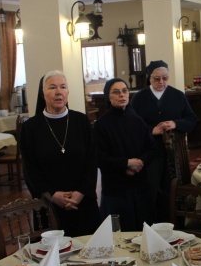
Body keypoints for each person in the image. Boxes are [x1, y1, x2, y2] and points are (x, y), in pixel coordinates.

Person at [20, 70, 101, 235]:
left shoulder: (81, 121)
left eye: (63, 87)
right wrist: (52, 195)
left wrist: (80, 193)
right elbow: (30, 169)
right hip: (49, 205)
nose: (58, 92)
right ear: (43, 94)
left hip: (83, 202)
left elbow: (92, 161)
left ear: (68, 92)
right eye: (52, 87)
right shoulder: (31, 128)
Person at [129, 60, 197, 222]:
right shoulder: (139, 98)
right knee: (150, 190)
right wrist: (151, 130)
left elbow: (192, 119)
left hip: (174, 153)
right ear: (149, 78)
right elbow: (131, 125)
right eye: (156, 79)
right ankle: (150, 226)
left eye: (165, 78)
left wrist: (175, 123)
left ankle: (173, 225)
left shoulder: (177, 95)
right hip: (150, 153)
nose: (161, 82)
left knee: (172, 190)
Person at [94, 78, 156, 231]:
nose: (122, 95)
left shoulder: (138, 121)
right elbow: (99, 158)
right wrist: (126, 164)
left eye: (124, 91)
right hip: (116, 190)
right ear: (108, 96)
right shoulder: (101, 125)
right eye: (116, 92)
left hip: (139, 186)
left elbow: (151, 149)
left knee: (142, 233)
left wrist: (139, 163)